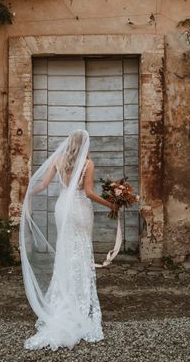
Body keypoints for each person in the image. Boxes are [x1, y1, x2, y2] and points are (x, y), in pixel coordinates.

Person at [19, 129, 117, 351]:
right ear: (84, 145)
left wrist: (28, 195)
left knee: (65, 250)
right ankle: (78, 296)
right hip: (79, 207)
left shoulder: (57, 159)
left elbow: (43, 185)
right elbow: (90, 193)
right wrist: (111, 205)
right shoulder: (87, 164)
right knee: (81, 249)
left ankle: (64, 294)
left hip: (62, 207)